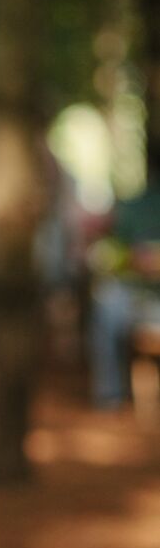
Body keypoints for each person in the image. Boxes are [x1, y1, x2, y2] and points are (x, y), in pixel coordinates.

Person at [89, 158, 160, 407]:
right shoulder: (133, 207)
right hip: (139, 297)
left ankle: (110, 395)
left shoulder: (133, 206)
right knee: (107, 302)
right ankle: (110, 395)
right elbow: (115, 254)